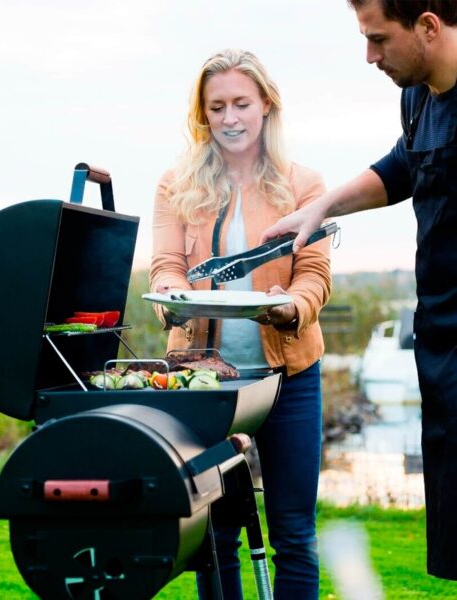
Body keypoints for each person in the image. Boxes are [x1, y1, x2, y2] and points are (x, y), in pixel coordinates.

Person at [261, 0, 457, 582]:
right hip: (441, 341)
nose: (369, 56)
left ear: (427, 25)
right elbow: (403, 167)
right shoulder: (418, 97)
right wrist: (318, 208)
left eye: (378, 39)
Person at [150, 49, 332, 599]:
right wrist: (168, 300)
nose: (230, 118)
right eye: (217, 106)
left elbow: (315, 277)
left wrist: (289, 308)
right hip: (206, 383)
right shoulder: (176, 184)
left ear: (266, 106)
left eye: (241, 104)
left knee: (294, 534)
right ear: (202, 114)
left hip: (289, 380)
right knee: (216, 536)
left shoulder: (304, 182)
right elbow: (166, 268)